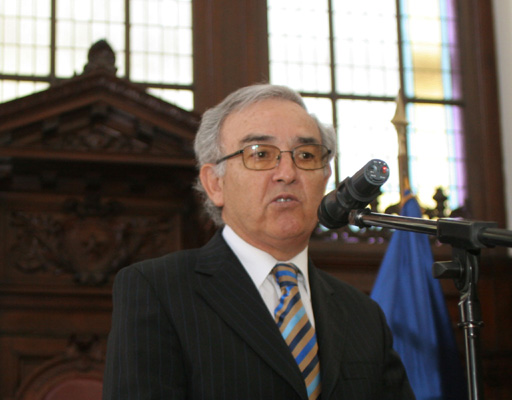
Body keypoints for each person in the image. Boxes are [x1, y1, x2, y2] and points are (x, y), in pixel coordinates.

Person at [102, 84, 415, 399]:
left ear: (325, 178)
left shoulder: (364, 315)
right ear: (215, 183)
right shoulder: (158, 290)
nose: (287, 173)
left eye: (306, 155)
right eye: (261, 154)